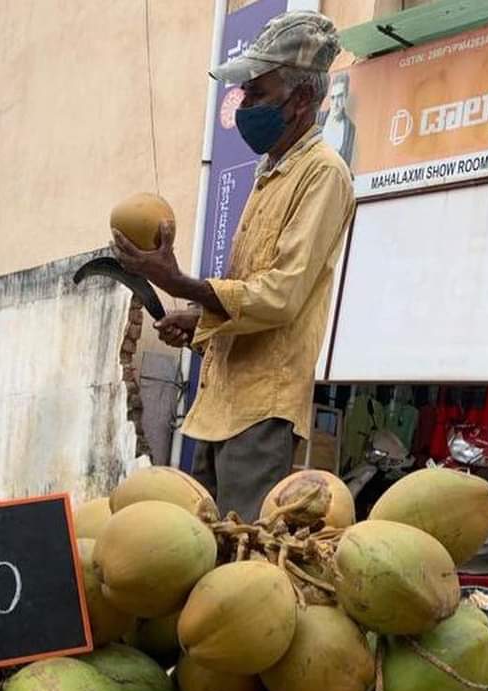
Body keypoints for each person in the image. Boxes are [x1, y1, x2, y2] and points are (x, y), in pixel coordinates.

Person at [112, 12, 355, 522]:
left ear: (302, 102)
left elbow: (282, 295)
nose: (244, 106)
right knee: (198, 547)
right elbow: (247, 291)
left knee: (238, 557)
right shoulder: (271, 171)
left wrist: (180, 283)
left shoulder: (324, 174)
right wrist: (197, 321)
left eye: (257, 94)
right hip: (216, 403)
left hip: (262, 408)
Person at [318, 70, 356, 167]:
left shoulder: (350, 128)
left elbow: (346, 164)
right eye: (333, 97)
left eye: (339, 97)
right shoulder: (318, 118)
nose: (335, 103)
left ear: (345, 97)